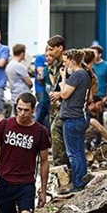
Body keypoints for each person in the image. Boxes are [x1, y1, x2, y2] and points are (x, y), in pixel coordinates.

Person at [51, 49, 91, 192]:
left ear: (72, 60)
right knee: (79, 151)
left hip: (72, 118)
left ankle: (78, 183)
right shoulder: (85, 74)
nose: (64, 63)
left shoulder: (76, 75)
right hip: (80, 117)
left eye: (66, 60)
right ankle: (82, 179)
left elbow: (64, 94)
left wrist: (63, 78)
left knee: (74, 153)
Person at [45, 35, 68, 167]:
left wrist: (61, 94)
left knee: (57, 132)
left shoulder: (70, 62)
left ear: (60, 48)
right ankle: (61, 165)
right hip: (56, 106)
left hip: (67, 105)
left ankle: (61, 166)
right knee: (56, 136)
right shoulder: (54, 64)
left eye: (51, 49)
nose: (49, 53)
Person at [6, 43, 33, 110]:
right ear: (22, 53)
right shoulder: (19, 66)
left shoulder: (9, 65)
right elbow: (29, 82)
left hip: (14, 93)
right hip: (22, 94)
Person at [33, 53, 51, 128]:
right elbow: (41, 78)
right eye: (47, 56)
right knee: (39, 119)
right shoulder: (46, 67)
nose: (48, 58)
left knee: (49, 119)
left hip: (51, 98)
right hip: (44, 96)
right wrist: (40, 77)